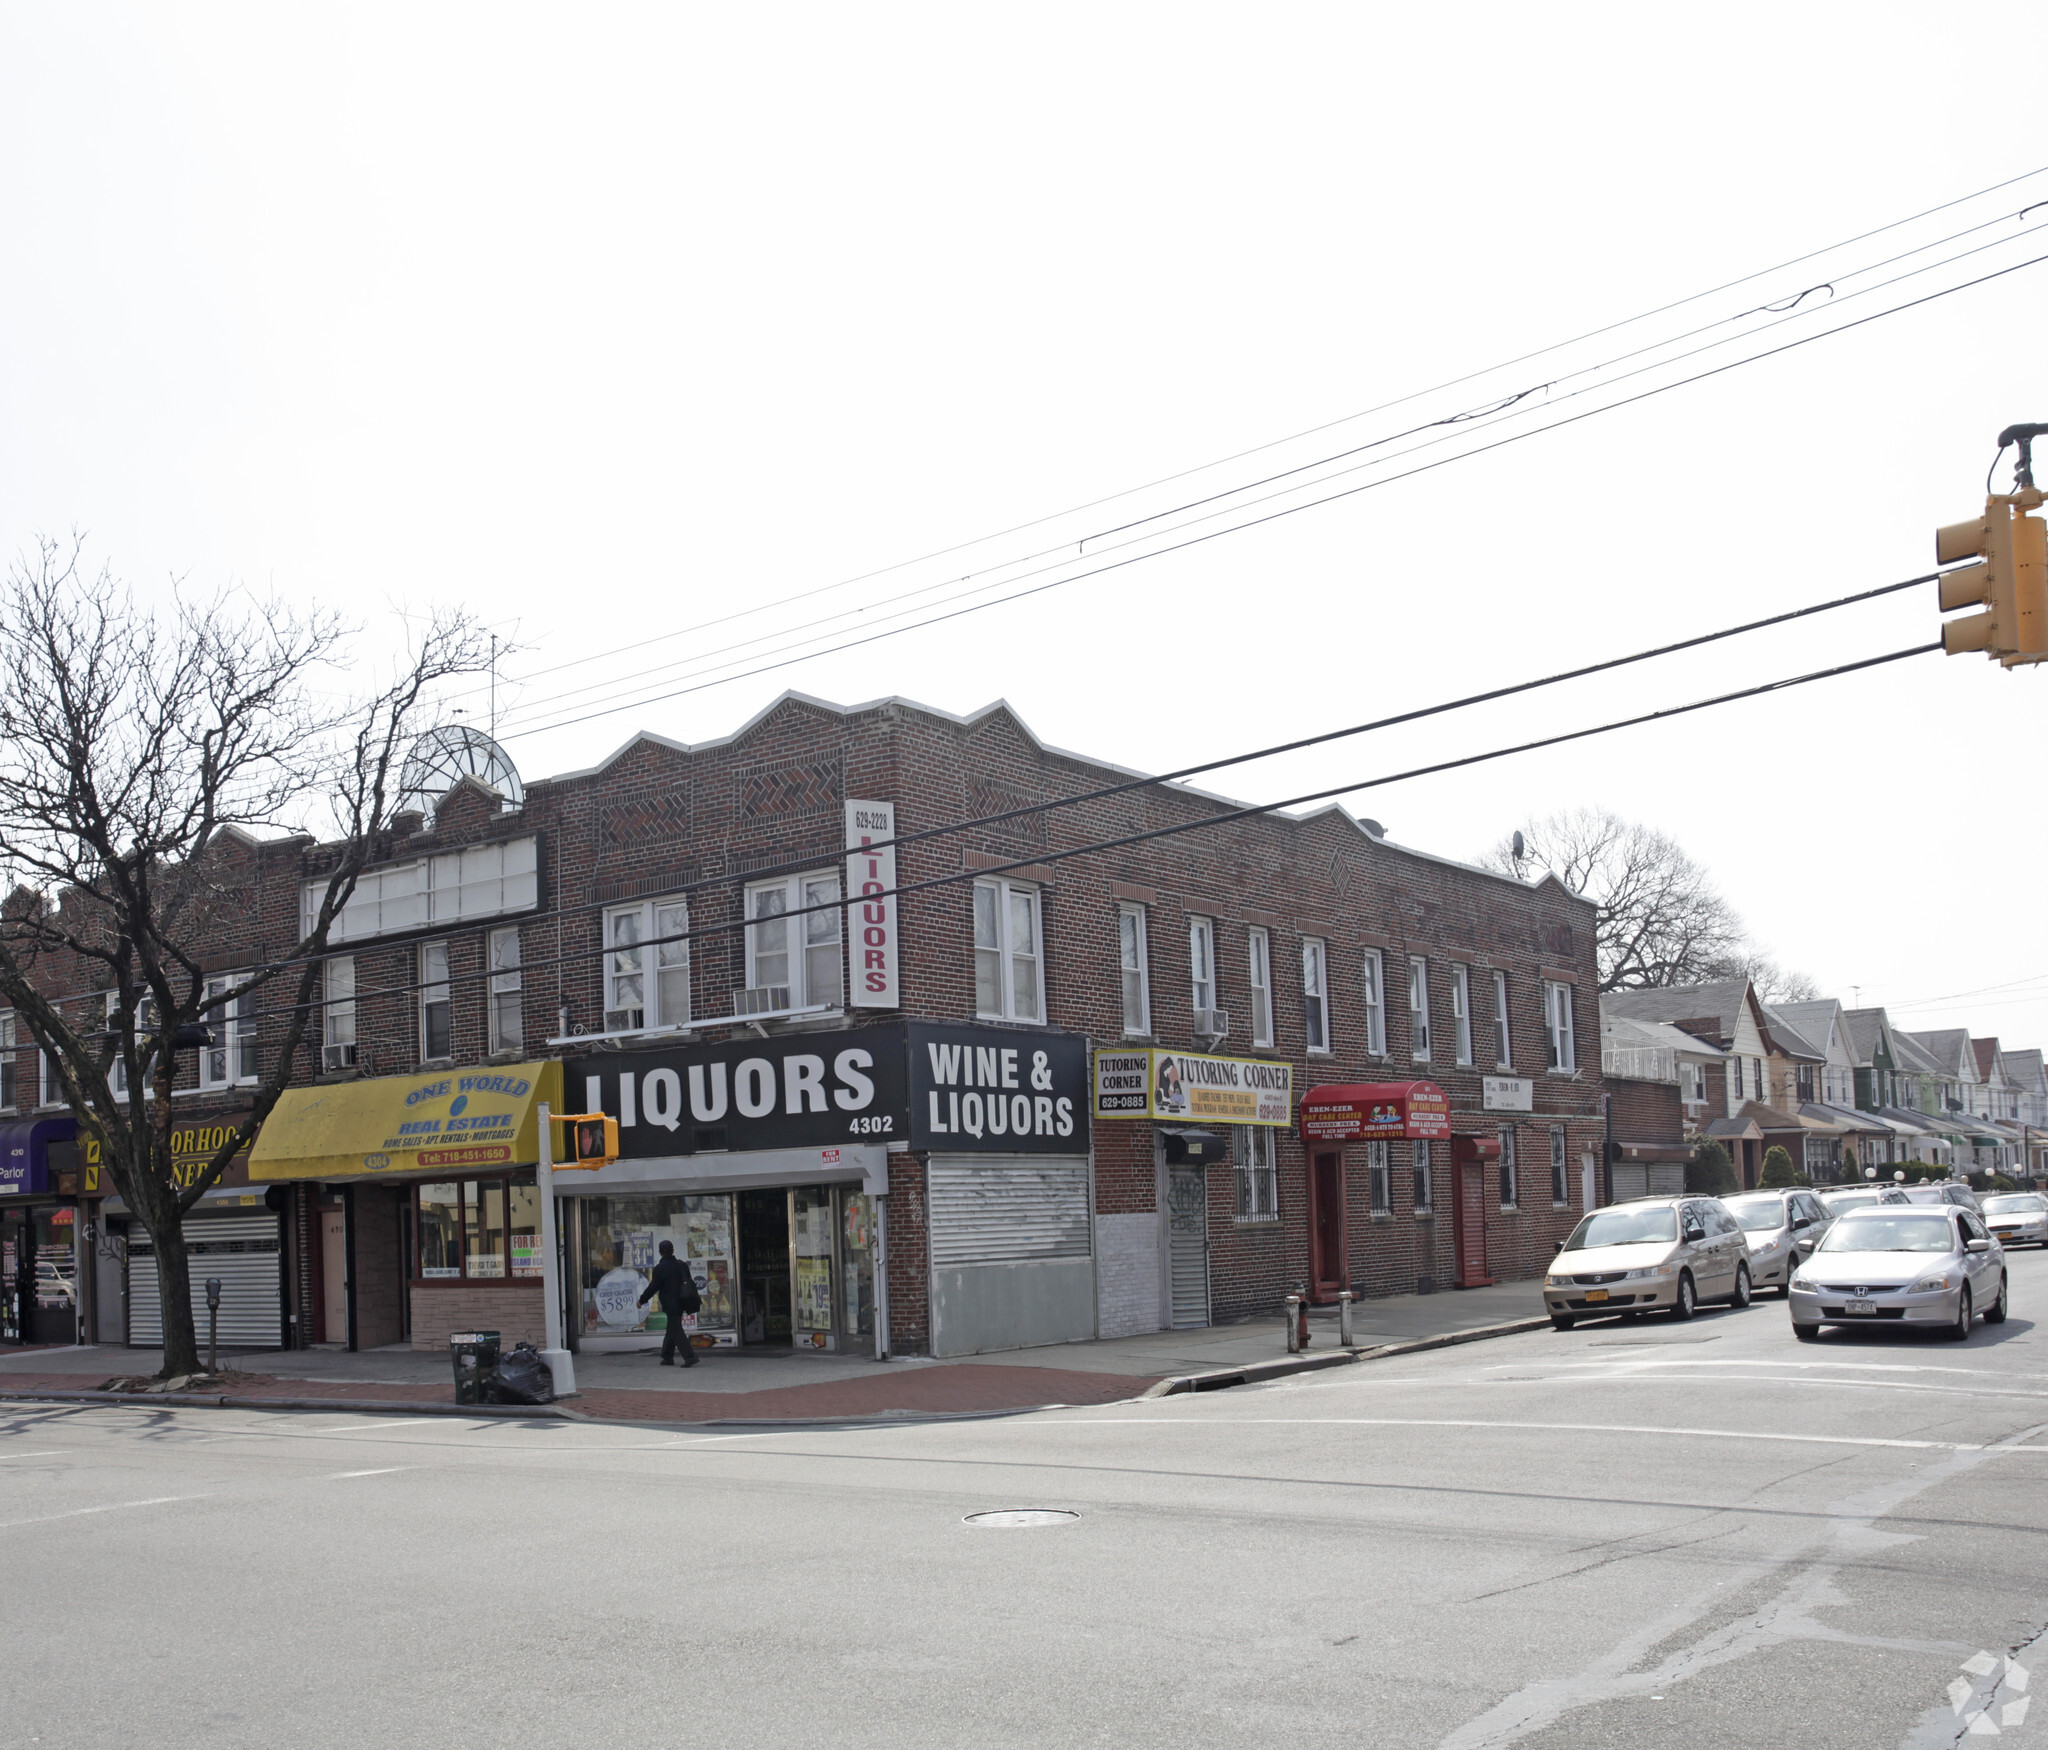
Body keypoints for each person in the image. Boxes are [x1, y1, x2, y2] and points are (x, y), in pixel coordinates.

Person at [637, 1240, 701, 1366]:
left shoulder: (660, 1268)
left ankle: (689, 1356)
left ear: (660, 1253)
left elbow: (653, 1287)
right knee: (672, 1328)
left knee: (676, 1329)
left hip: (670, 1303)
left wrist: (642, 1300)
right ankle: (667, 1357)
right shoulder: (681, 1265)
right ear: (673, 1251)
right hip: (684, 1301)